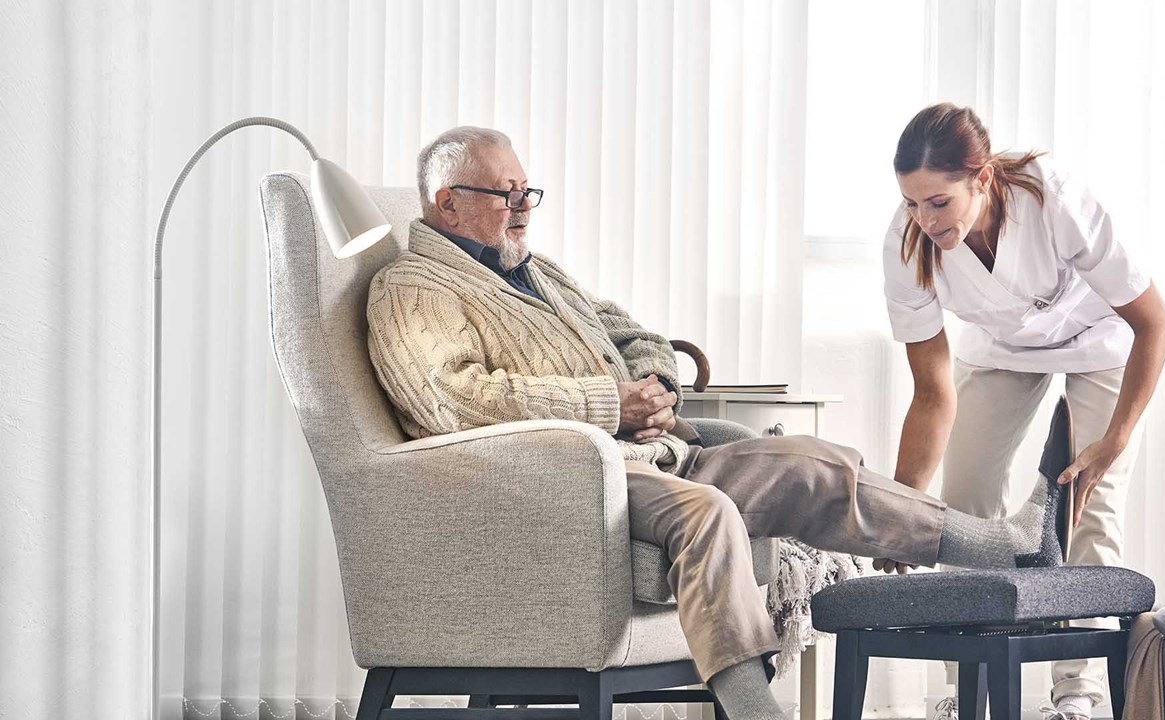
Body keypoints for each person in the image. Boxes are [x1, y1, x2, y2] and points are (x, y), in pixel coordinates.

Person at [367, 126, 1071, 720]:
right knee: (705, 512)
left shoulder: (535, 268)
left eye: (528, 191)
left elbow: (635, 333)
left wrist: (656, 387)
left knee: (811, 464)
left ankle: (1008, 545)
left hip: (654, 454)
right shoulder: (413, 288)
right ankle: (752, 708)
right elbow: (451, 399)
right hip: (563, 478)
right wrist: (610, 403)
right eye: (505, 194)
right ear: (447, 203)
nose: (524, 206)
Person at [880, 104, 1165, 720]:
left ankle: (1078, 695)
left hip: (1102, 338)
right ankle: (968, 689)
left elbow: (1154, 323)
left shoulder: (1052, 199)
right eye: (911, 202)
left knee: (1088, 507)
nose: (923, 218)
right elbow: (932, 393)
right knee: (963, 503)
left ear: (981, 178)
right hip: (1001, 350)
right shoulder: (908, 245)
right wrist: (902, 508)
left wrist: (1116, 439)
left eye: (938, 202)